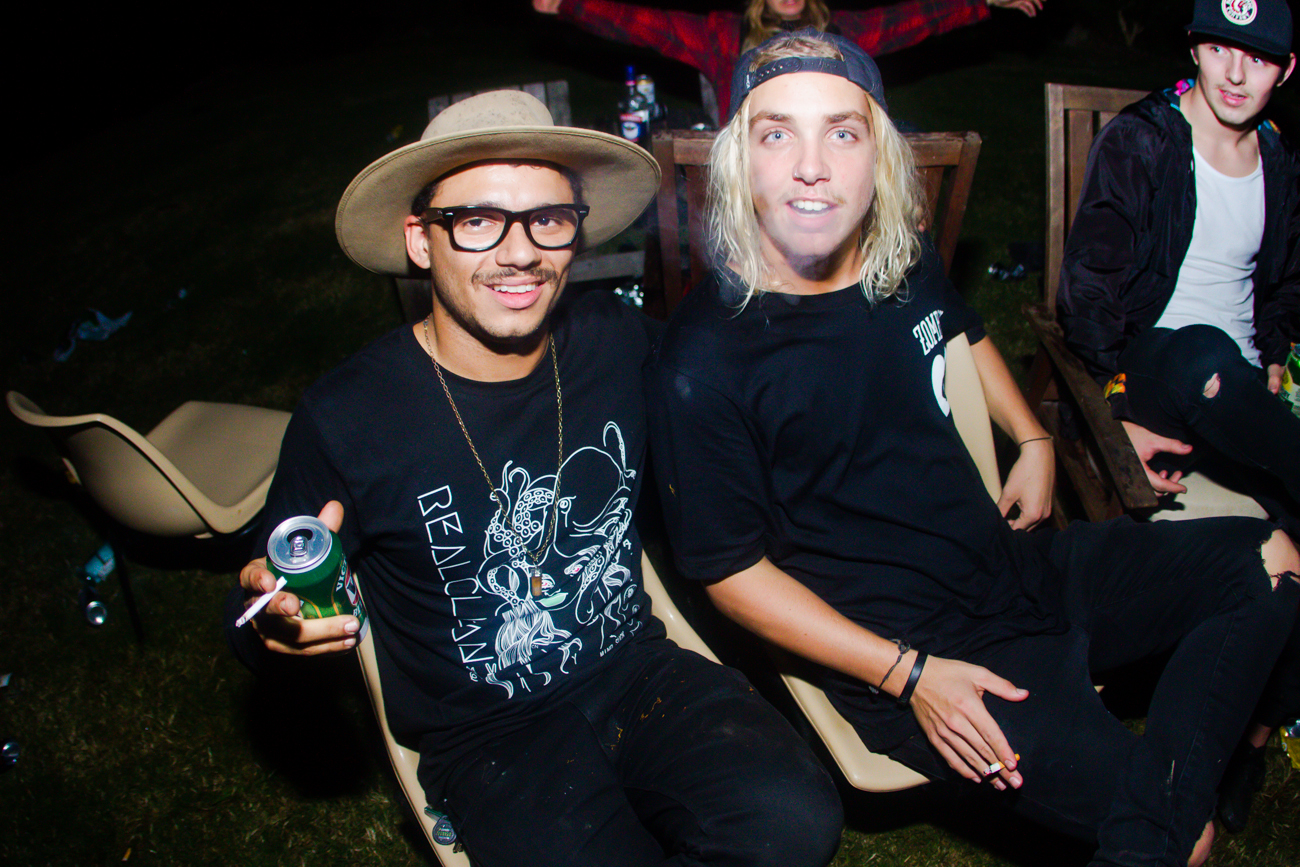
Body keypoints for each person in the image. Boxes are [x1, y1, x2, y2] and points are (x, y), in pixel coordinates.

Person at [645, 29, 1300, 867]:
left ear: (879, 154)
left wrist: (1032, 437)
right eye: (778, 133)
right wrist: (910, 675)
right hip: (920, 650)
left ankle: (1173, 799)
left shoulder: (896, 258)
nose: (811, 166)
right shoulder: (704, 359)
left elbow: (963, 328)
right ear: (741, 159)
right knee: (1182, 841)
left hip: (1016, 565)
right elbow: (730, 574)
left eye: (842, 132)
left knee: (1271, 559)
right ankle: (1176, 814)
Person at [233, 90, 841, 867]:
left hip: (636, 668)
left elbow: (729, 390)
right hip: (488, 736)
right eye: (478, 220)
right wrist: (276, 624)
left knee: (796, 820)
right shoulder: (347, 417)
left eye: (547, 218)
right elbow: (258, 605)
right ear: (421, 239)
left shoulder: (614, 339)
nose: (520, 252)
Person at [1058, 0, 1300, 830]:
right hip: (1157, 372)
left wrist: (1276, 354)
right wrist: (1113, 403)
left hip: (1241, 405)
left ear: (1287, 70)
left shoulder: (1277, 155)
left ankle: (1250, 743)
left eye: (1258, 58)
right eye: (1222, 48)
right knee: (1202, 352)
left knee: (1290, 529)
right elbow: (1088, 289)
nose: (1236, 72)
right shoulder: (1145, 140)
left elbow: (1282, 284)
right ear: (1194, 47)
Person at [533, 0, 1042, 120]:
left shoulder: (844, 31)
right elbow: (645, 24)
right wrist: (572, 5)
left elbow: (913, 20)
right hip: (750, 176)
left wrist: (980, 2)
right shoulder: (722, 34)